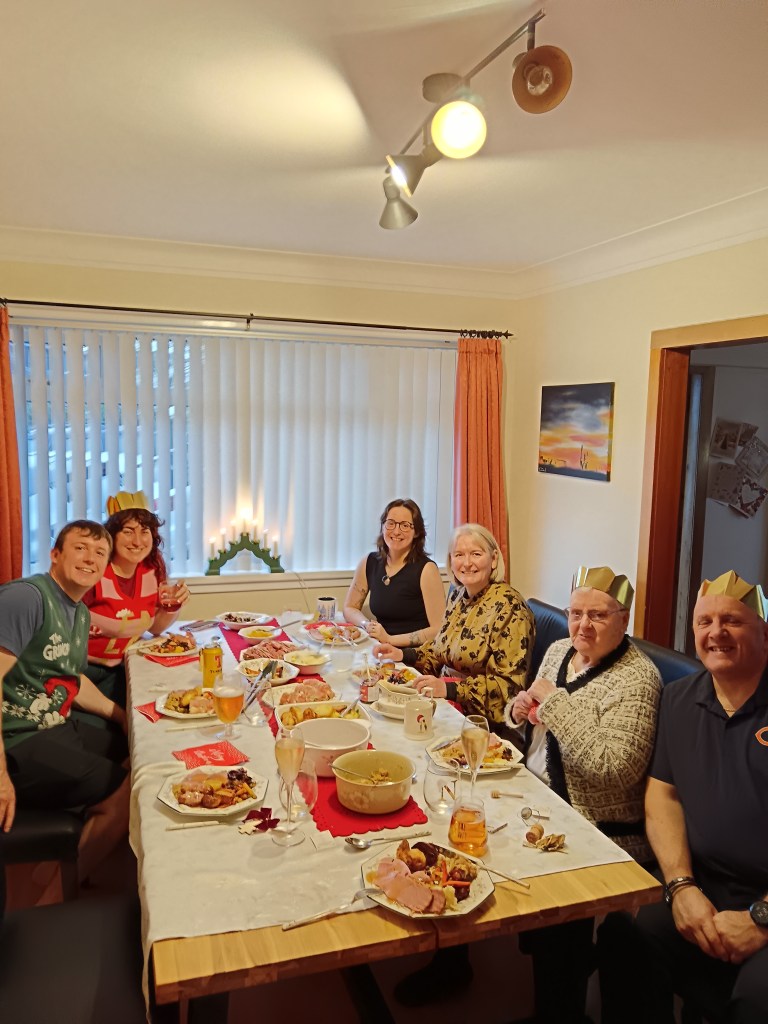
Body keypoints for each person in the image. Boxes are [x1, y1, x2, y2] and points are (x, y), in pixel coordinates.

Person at [599, 570, 768, 1024]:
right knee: (623, 938)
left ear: (764, 632)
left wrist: (761, 918)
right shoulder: (677, 699)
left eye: (732, 620)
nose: (716, 633)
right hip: (703, 881)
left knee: (756, 1002)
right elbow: (663, 797)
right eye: (704, 621)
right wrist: (681, 885)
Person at [505, 565, 662, 1024]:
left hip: (594, 822)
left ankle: (561, 1008)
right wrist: (520, 709)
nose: (582, 626)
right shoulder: (557, 650)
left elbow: (614, 768)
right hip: (534, 793)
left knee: (552, 902)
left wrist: (554, 703)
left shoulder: (638, 679)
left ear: (624, 619)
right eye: (575, 613)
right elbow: (533, 710)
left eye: (597, 615)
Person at [0, 520, 130, 885]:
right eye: (80, 548)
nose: (90, 558)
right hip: (17, 740)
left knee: (137, 748)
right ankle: (55, 894)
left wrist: (122, 717)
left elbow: (71, 678)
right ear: (55, 554)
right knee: (128, 792)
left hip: (53, 723)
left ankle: (85, 839)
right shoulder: (27, 598)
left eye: (100, 553)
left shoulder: (79, 610)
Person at [374, 523, 534, 725]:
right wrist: (403, 654)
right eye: (459, 555)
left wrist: (449, 689)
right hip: (444, 703)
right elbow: (441, 647)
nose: (467, 563)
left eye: (476, 554)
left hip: (479, 722)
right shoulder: (459, 595)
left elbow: (508, 689)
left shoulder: (510, 608)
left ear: (493, 559)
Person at [84, 491, 189, 706]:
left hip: (127, 665)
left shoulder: (152, 567)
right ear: (111, 535)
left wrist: (171, 606)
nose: (138, 541)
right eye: (128, 531)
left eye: (145, 531)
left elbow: (156, 629)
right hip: (86, 669)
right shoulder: (94, 569)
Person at [343, 498, 445, 648]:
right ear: (383, 527)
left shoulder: (427, 570)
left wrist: (390, 640)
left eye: (405, 525)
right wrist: (366, 624)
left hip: (415, 656)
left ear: (416, 532)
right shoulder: (369, 562)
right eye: (391, 523)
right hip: (381, 648)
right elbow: (349, 607)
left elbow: (438, 629)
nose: (396, 531)